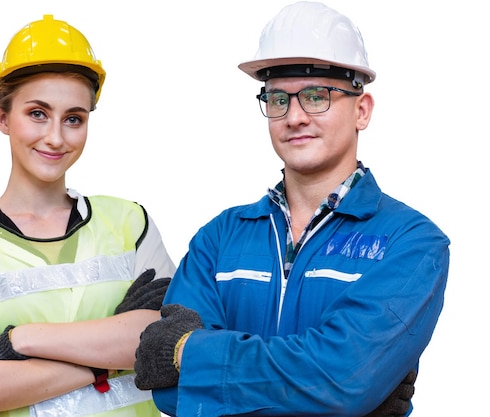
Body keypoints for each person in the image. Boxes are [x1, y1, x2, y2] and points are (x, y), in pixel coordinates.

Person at [132, 2, 450, 416]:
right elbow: (169, 393)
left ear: (362, 109)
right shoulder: (218, 239)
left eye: (317, 96)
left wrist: (189, 355)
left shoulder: (411, 243)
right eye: (278, 99)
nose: (294, 116)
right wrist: (333, 394)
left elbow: (342, 380)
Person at [0, 15, 175, 417]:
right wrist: (109, 351)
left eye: (74, 118)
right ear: (3, 118)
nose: (56, 137)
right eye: (37, 113)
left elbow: (170, 341)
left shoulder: (129, 222)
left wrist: (20, 340)